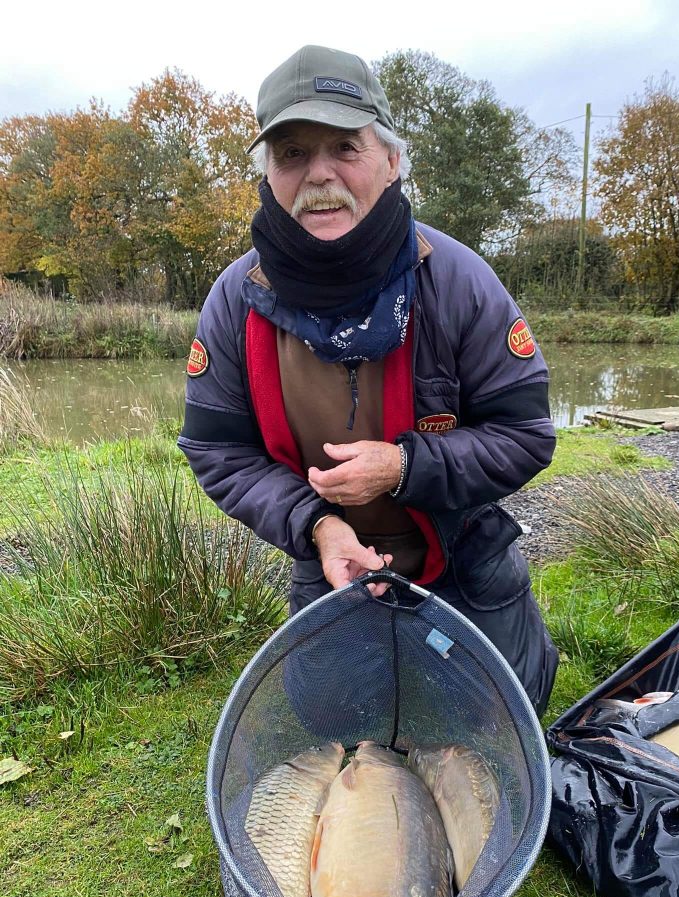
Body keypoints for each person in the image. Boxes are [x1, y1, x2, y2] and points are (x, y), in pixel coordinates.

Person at [178, 45, 559, 715]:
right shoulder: (234, 300)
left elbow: (525, 436)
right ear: (268, 173)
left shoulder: (461, 281)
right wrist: (317, 525)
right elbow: (217, 450)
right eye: (292, 153)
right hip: (327, 559)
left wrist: (404, 466)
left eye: (344, 149)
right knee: (328, 719)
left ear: (390, 160)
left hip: (462, 554)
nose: (319, 174)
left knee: (502, 714)